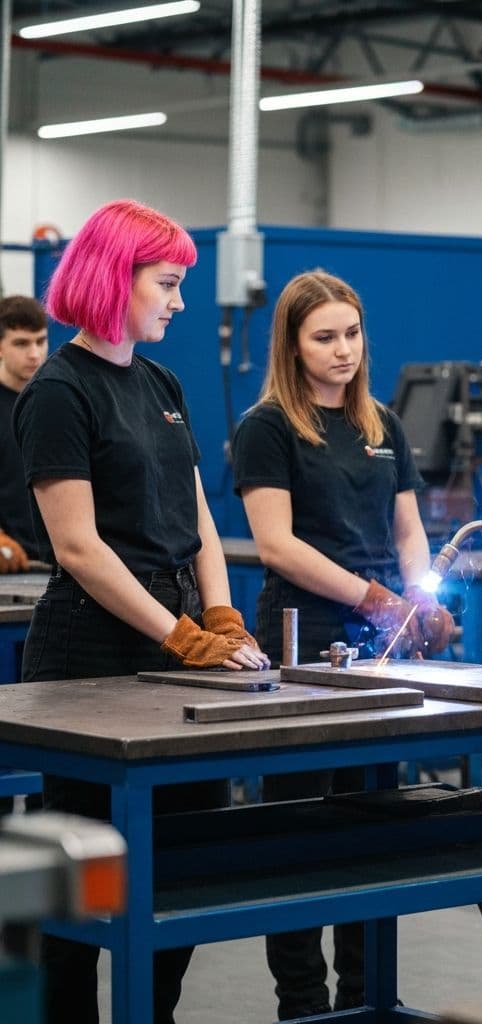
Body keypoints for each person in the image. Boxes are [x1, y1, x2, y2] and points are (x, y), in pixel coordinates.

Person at [13, 198, 269, 1024]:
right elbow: (80, 548)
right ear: (114, 279)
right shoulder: (58, 390)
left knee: (178, 870)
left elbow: (198, 518)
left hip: (176, 642)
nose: (180, 301)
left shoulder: (161, 383)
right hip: (89, 654)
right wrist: (184, 636)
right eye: (168, 283)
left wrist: (220, 618)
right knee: (85, 886)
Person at [232, 269, 453, 1018]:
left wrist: (421, 598)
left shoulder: (381, 425)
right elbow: (277, 546)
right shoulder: (267, 427)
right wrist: (377, 597)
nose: (343, 351)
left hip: (381, 647)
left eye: (352, 334)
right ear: (292, 346)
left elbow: (409, 531)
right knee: (297, 829)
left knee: (373, 823)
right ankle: (304, 1003)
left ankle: (366, 997)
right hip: (304, 640)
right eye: (324, 337)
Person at [0, 295, 48, 572]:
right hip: (12, 566)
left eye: (40, 341)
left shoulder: (60, 404)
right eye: (21, 343)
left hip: (65, 565)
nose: (34, 354)